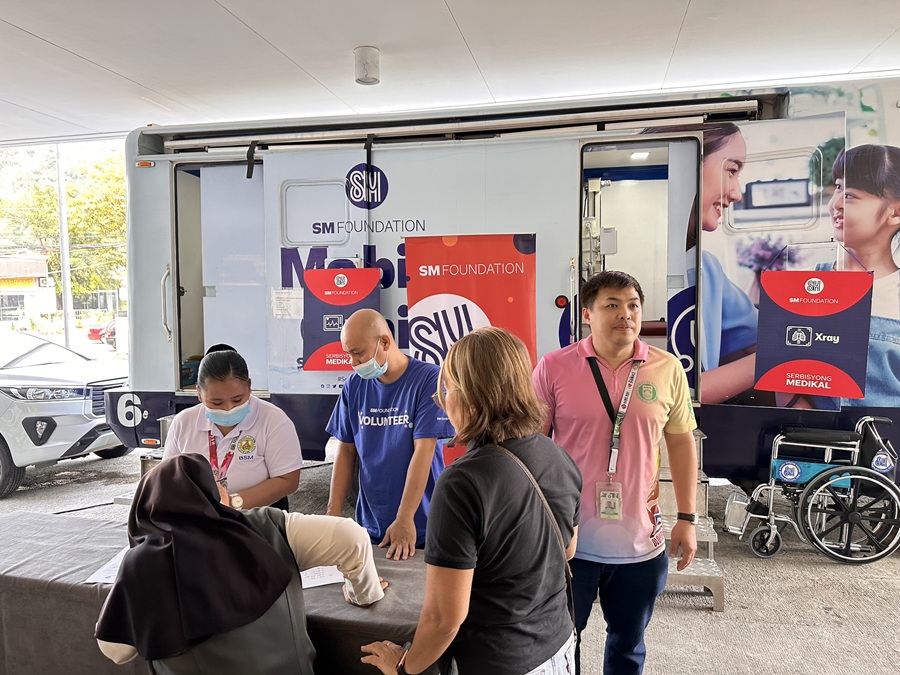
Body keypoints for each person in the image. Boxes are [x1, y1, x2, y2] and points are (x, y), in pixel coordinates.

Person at [360, 327, 582, 675]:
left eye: (446, 390)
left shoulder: (462, 483)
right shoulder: (558, 456)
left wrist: (403, 668)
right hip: (559, 647)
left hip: (498, 660)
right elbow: (567, 550)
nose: (442, 401)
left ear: (470, 399)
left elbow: (444, 618)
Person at [532, 270, 698, 675]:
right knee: (560, 645)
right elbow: (533, 446)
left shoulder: (667, 368)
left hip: (641, 542)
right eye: (612, 305)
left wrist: (688, 518)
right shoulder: (554, 368)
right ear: (587, 314)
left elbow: (681, 442)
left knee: (628, 646)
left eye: (633, 305)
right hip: (570, 541)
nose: (625, 314)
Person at [95, 453, 385, 673]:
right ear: (210, 494)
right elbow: (351, 536)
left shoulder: (140, 564)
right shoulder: (263, 526)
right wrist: (364, 594)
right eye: (218, 484)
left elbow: (116, 651)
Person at [327, 309, 455, 560]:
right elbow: (345, 449)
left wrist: (405, 518)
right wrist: (333, 512)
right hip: (370, 521)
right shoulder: (354, 385)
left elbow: (424, 450)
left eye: (358, 353)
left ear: (384, 342)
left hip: (420, 523)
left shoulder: (428, 379)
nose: (353, 362)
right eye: (348, 354)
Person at [646, 123, 759, 404]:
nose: (737, 193)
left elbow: (754, 338)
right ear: (687, 165)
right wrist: (785, 356)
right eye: (731, 171)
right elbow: (678, 396)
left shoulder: (706, 268)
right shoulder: (629, 266)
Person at [808, 144, 900, 409]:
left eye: (850, 195)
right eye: (837, 188)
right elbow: (787, 380)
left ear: (895, 212)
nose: (835, 204)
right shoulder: (813, 282)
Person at [163, 346, 303, 510]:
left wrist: (232, 504)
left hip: (257, 520)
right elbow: (169, 478)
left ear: (249, 387)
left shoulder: (273, 420)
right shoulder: (183, 422)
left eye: (237, 400)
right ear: (199, 394)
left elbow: (288, 480)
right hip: (200, 518)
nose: (228, 409)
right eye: (216, 403)